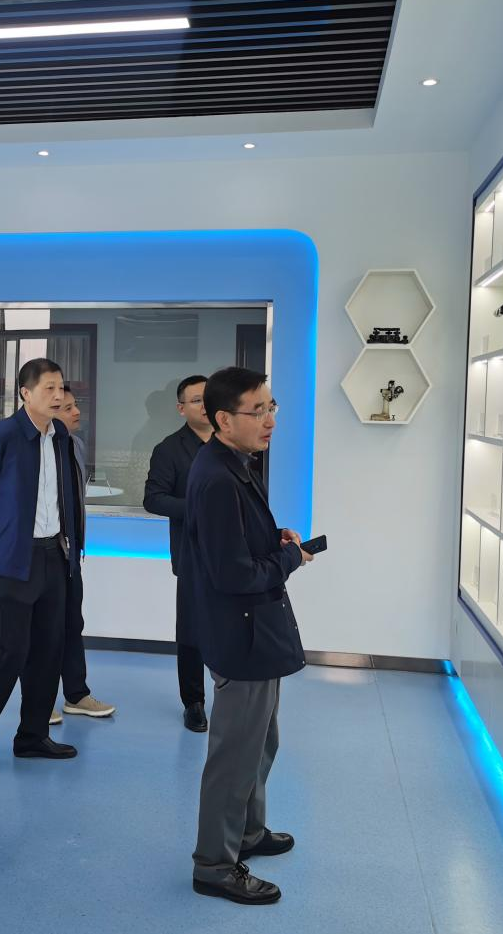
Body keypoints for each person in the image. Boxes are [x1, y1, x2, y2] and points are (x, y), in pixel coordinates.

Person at [181, 366, 313, 906]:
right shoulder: (216, 478)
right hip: (242, 635)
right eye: (257, 411)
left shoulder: (235, 464)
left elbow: (236, 544)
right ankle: (214, 863)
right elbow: (233, 574)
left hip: (256, 631)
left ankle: (249, 832)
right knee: (235, 755)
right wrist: (290, 558)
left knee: (262, 741)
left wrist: (271, 538)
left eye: (270, 407)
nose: (269, 420)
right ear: (223, 419)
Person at [0, 358, 86, 775]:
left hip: (55, 555)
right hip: (12, 559)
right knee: (12, 651)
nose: (57, 395)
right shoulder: (4, 435)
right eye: (48, 388)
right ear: (25, 393)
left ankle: (32, 736)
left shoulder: (61, 436)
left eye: (60, 387)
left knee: (49, 650)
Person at [143, 374, 213, 732]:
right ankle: (194, 702)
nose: (205, 405)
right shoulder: (169, 449)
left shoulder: (233, 442)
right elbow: (153, 499)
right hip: (193, 553)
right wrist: (198, 508)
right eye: (196, 400)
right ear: (181, 408)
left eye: (208, 398)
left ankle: (236, 693)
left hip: (237, 550)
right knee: (192, 631)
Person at [50, 383, 115, 725]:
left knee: (72, 622)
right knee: (41, 629)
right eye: (68, 408)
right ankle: (39, 701)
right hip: (39, 552)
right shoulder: (32, 447)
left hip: (70, 550)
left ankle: (76, 694)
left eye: (75, 406)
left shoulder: (74, 444)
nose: (77, 413)